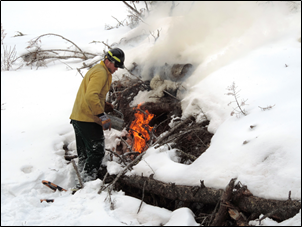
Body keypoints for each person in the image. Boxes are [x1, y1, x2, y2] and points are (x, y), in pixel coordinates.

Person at [70, 48, 125, 188]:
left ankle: (79, 183)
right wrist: (102, 116)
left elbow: (92, 94)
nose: (117, 69)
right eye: (116, 65)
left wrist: (104, 105)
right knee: (97, 152)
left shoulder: (99, 70)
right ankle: (86, 184)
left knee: (84, 154)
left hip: (78, 117)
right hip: (88, 119)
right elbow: (91, 96)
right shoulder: (101, 73)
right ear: (108, 60)